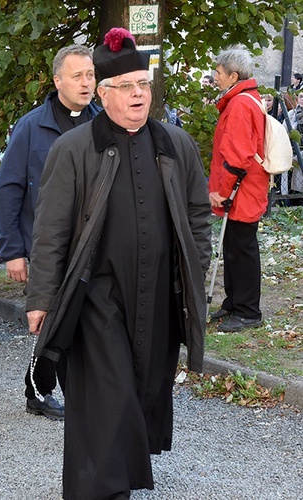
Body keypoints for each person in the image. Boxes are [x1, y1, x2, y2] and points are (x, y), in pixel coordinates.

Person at [25, 28, 211, 498]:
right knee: (107, 394)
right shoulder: (73, 149)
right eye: (126, 87)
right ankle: (102, 489)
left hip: (158, 294)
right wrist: (41, 298)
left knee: (144, 388)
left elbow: (197, 216)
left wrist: (195, 267)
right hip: (96, 296)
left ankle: (122, 473)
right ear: (103, 94)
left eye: (143, 86)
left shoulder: (176, 144)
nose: (137, 95)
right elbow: (51, 232)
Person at [0, 44, 102, 421]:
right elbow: (8, 189)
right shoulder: (31, 126)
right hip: (45, 247)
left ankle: (73, 391)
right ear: (58, 81)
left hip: (93, 245)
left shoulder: (103, 122)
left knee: (84, 321)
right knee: (53, 320)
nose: (86, 83)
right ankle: (38, 389)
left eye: (90, 75)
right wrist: (12, 250)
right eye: (77, 76)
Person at [208, 47, 269, 332]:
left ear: (233, 76)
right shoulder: (243, 100)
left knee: (242, 248)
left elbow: (237, 154)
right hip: (244, 186)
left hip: (242, 188)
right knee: (233, 245)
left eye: (218, 73)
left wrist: (224, 191)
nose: (214, 77)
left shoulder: (240, 104)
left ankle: (248, 310)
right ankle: (235, 302)